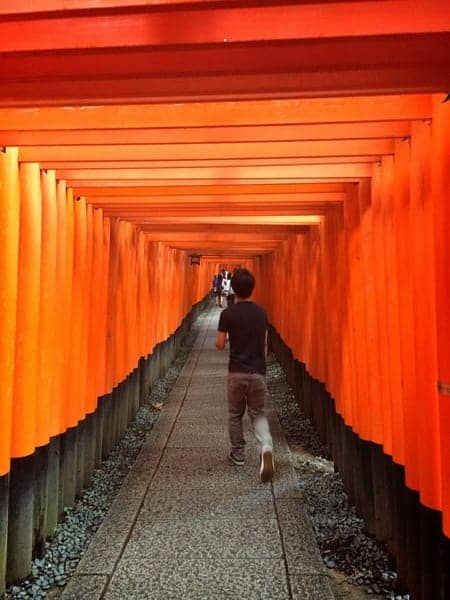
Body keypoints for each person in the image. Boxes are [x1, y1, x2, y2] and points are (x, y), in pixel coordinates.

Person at [215, 268, 274, 482]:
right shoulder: (262, 313)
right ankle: (265, 446)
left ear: (233, 288)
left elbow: (220, 344)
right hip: (257, 371)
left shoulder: (228, 314)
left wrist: (229, 339)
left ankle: (238, 454)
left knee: (235, 414)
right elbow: (265, 345)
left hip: (237, 371)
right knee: (257, 413)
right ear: (252, 288)